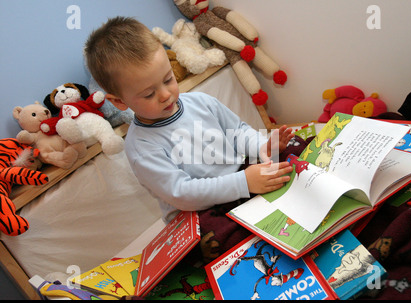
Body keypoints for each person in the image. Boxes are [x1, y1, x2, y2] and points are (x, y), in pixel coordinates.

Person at [85, 16, 295, 259]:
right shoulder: (141, 146)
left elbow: (238, 132)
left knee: (291, 156)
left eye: (168, 79)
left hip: (240, 176)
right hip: (199, 210)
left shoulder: (200, 102)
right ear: (119, 101)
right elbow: (182, 194)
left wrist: (263, 147)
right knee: (214, 240)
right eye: (149, 94)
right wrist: (243, 183)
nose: (165, 95)